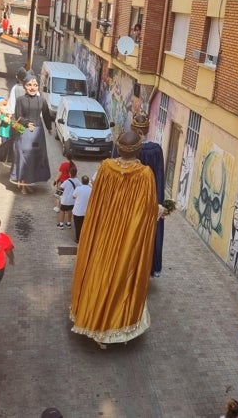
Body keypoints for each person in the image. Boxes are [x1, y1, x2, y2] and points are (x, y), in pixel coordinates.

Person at [70, 131, 163, 346]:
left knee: (100, 271)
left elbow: (96, 202)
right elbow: (147, 210)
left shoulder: (105, 168)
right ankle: (115, 327)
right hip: (127, 237)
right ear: (138, 149)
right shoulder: (144, 174)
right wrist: (160, 211)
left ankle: (93, 321)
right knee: (122, 276)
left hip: (104, 232)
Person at [131, 112, 166, 278]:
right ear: (147, 128)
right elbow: (159, 178)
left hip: (130, 201)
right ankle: (148, 266)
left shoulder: (124, 147)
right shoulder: (155, 150)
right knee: (150, 232)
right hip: (149, 201)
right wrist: (159, 202)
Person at [9, 73, 52, 194]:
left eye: (35, 85)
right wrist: (27, 123)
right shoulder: (20, 100)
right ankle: (22, 184)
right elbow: (17, 116)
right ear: (24, 86)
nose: (32, 88)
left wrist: (49, 128)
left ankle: (29, 182)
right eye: (29, 85)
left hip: (38, 133)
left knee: (36, 158)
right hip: (24, 133)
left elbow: (47, 115)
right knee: (24, 157)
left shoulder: (42, 100)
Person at [72, 175, 92, 243]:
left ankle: (78, 238)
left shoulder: (78, 188)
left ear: (82, 181)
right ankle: (83, 237)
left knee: (77, 225)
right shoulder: (91, 190)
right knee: (85, 225)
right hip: (86, 211)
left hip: (77, 211)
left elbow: (74, 196)